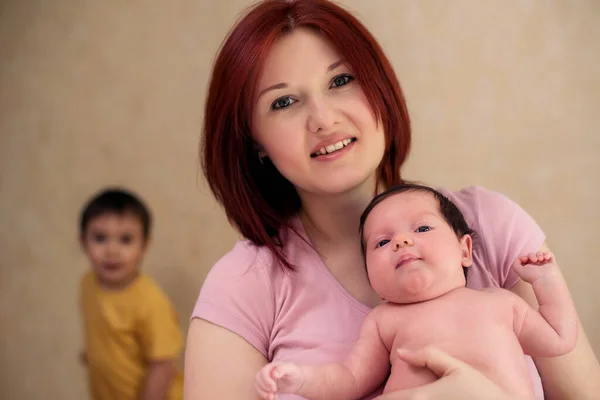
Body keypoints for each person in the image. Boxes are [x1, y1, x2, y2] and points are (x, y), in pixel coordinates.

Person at [184, 1, 600, 399]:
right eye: (284, 102)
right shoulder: (245, 285)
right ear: (254, 140)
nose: (324, 120)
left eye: (341, 80)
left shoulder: (491, 224)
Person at [254, 184, 578, 400]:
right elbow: (350, 379)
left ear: (465, 250)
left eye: (422, 228)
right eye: (382, 242)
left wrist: (545, 280)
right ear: (370, 275)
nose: (401, 241)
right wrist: (299, 380)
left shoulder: (500, 302)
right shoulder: (384, 321)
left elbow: (559, 338)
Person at [79, 188, 184, 400]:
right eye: (100, 238)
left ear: (144, 245)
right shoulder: (88, 284)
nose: (112, 250)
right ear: (83, 242)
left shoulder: (151, 303)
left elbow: (162, 366)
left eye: (125, 240)